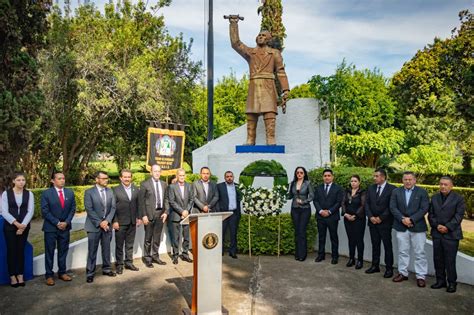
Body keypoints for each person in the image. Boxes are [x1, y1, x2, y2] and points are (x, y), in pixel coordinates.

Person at [227, 16, 289, 145]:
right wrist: (234, 24)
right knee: (251, 114)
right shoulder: (250, 52)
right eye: (259, 35)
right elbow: (236, 43)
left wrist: (285, 89)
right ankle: (250, 140)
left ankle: (271, 140)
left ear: (269, 40)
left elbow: (281, 71)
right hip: (254, 85)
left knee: (270, 113)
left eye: (264, 35)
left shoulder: (275, 53)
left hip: (268, 85)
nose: (260, 37)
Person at [390, 171, 429, 287]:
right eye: (405, 179)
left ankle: (421, 276)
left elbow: (424, 208)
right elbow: (393, 207)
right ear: (402, 180)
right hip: (401, 226)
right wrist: (402, 219)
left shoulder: (422, 192)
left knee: (420, 252)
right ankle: (403, 273)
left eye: (410, 179)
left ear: (415, 180)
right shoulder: (396, 192)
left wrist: (411, 219)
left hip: (417, 227)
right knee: (403, 251)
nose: (407, 181)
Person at [428, 176, 466, 293]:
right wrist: (436, 225)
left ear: (451, 186)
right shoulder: (434, 198)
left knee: (450, 260)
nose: (443, 186)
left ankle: (452, 283)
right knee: (438, 259)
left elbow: (459, 216)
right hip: (437, 233)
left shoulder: (459, 199)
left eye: (445, 184)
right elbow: (431, 214)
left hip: (451, 235)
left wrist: (447, 227)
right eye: (441, 184)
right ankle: (440, 281)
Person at [40, 171, 76, 286]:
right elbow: (45, 211)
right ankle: (49, 275)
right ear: (53, 181)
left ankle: (62, 272)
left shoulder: (69, 193)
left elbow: (72, 209)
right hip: (51, 228)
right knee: (49, 251)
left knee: (63, 251)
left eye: (63, 178)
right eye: (59, 178)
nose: (62, 180)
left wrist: (66, 222)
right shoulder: (46, 194)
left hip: (65, 227)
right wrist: (57, 222)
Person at [1, 172, 34, 287]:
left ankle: (20, 275)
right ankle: (12, 276)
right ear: (14, 181)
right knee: (11, 251)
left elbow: (31, 211)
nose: (21, 182)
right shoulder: (6, 194)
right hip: (10, 227)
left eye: (23, 180)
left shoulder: (29, 194)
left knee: (20, 251)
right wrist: (16, 224)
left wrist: (23, 225)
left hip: (24, 227)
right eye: (19, 180)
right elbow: (4, 211)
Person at [84, 171, 116, 283]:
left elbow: (113, 208)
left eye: (107, 178)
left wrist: (107, 221)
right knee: (92, 250)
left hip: (107, 226)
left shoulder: (110, 191)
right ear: (97, 179)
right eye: (103, 178)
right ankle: (90, 273)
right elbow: (89, 209)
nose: (106, 180)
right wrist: (100, 222)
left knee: (106, 249)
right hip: (94, 226)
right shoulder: (89, 192)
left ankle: (106, 269)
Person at [365, 168, 396, 278]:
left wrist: (381, 218)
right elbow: (367, 204)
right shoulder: (371, 188)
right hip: (372, 222)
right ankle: (375, 265)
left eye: (376, 176)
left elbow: (391, 206)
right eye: (374, 176)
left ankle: (389, 268)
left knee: (387, 246)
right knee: (375, 244)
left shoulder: (392, 189)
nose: (374, 178)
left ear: (383, 177)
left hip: (385, 223)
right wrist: (371, 217)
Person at [138, 164, 169, 268]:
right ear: (151, 172)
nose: (157, 173)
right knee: (148, 238)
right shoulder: (144, 184)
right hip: (149, 215)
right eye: (155, 171)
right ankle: (147, 258)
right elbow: (141, 202)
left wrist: (166, 212)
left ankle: (155, 256)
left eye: (159, 171)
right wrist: (143, 215)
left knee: (157, 238)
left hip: (160, 215)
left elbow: (166, 200)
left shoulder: (164, 184)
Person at [112, 169, 140, 274]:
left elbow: (138, 205)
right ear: (121, 178)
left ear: (131, 177)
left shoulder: (136, 189)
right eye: (125, 177)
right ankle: (119, 264)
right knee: (119, 245)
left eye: (129, 177)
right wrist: (114, 221)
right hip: (120, 222)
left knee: (130, 244)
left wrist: (138, 217)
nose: (127, 179)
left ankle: (129, 262)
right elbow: (112, 207)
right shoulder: (115, 190)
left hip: (132, 221)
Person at [313, 169, 344, 264]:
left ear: (332, 177)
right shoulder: (318, 188)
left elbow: (338, 202)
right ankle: (320, 255)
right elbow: (315, 201)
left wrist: (329, 211)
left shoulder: (338, 188)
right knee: (321, 237)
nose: (327, 177)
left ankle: (335, 256)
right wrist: (321, 211)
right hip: (320, 216)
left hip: (332, 217)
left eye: (329, 175)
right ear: (323, 177)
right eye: (325, 176)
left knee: (333, 237)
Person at [168, 168, 194, 264]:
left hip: (186, 215)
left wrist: (186, 211)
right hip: (176, 215)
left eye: (183, 175)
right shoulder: (172, 187)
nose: (182, 177)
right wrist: (181, 211)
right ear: (177, 176)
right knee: (176, 238)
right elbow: (171, 201)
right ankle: (175, 255)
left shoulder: (189, 186)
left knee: (186, 237)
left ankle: (185, 254)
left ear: (185, 176)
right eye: (180, 175)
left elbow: (191, 199)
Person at [288, 167, 314, 262]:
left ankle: (303, 254)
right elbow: (290, 196)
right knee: (297, 231)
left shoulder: (308, 183)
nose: (299, 174)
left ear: (304, 174)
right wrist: (283, 190)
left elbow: (311, 196)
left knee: (302, 231)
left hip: (305, 209)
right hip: (294, 209)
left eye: (301, 172)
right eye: (297, 172)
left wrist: (303, 201)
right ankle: (297, 253)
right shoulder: (293, 183)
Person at [341, 175, 366, 269]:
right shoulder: (347, 191)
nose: (353, 183)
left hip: (358, 219)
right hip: (347, 219)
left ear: (359, 182)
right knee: (351, 239)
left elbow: (363, 205)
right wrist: (346, 214)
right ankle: (351, 259)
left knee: (359, 240)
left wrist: (355, 215)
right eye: (351, 181)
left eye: (355, 181)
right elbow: (343, 203)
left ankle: (360, 260)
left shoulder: (362, 192)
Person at [217, 171, 242, 259]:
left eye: (231, 176)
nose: (229, 178)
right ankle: (220, 251)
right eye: (227, 176)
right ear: (225, 178)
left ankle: (233, 252)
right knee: (222, 233)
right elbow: (217, 198)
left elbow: (240, 198)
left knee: (233, 233)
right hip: (224, 213)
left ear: (233, 177)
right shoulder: (220, 186)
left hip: (234, 213)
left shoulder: (237, 186)